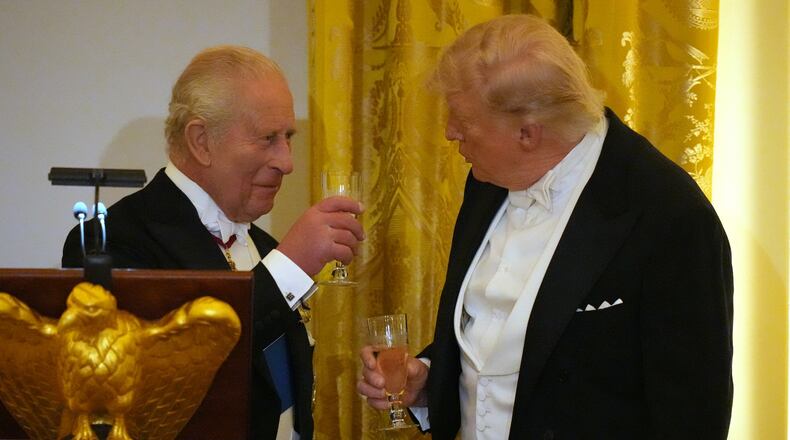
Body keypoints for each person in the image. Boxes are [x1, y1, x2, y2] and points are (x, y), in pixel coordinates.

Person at [357, 14, 733, 439]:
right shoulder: (488, 181)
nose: (448, 132)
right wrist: (429, 380)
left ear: (527, 133)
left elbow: (692, 417)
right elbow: (500, 338)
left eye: (462, 118)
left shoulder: (670, 217)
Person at [63, 46, 365, 439]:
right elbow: (155, 381)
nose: (287, 161)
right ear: (201, 141)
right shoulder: (111, 240)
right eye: (268, 138)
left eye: (288, 137)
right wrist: (288, 267)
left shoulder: (264, 244)